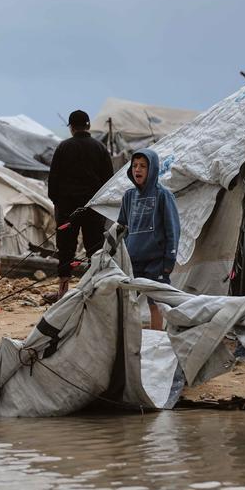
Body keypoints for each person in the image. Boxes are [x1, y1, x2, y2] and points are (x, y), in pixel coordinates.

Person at [45, 109, 114, 302]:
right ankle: (94, 291)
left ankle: (63, 292)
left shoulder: (63, 147)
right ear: (88, 125)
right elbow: (109, 181)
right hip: (93, 208)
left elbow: (53, 180)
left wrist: (58, 202)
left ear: (71, 127)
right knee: (94, 249)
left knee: (66, 249)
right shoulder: (100, 148)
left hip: (67, 209)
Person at [117, 149, 180, 330]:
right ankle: (130, 339)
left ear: (152, 170)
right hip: (133, 261)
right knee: (128, 302)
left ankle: (157, 338)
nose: (138, 169)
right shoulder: (129, 196)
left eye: (143, 166)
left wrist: (169, 259)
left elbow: (172, 229)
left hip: (156, 261)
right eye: (135, 165)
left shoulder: (163, 195)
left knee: (156, 303)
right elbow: (122, 228)